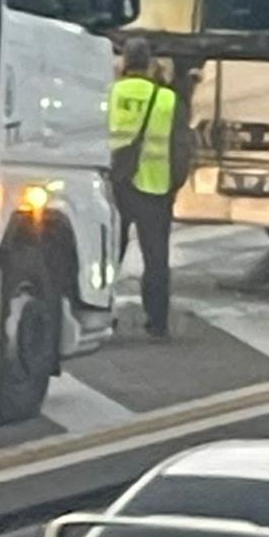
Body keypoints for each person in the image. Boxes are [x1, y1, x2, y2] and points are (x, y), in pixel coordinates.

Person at [108, 37, 185, 339]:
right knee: (156, 259)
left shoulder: (110, 94)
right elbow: (181, 148)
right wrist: (174, 183)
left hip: (116, 186)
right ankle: (156, 321)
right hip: (155, 188)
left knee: (109, 257)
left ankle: (104, 313)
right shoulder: (166, 99)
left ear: (125, 63)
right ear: (150, 63)